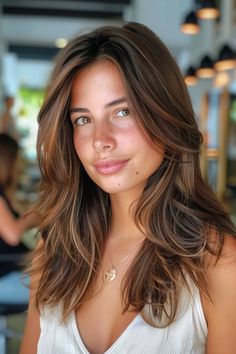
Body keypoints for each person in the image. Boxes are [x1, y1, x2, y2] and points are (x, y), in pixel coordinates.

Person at [20, 22, 236, 354]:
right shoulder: (56, 248)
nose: (100, 141)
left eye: (122, 112)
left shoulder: (219, 262)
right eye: (83, 119)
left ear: (163, 114)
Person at [0, 133, 40, 303]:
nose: (19, 165)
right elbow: (13, 235)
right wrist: (32, 218)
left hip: (9, 273)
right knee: (62, 287)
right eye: (17, 159)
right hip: (4, 280)